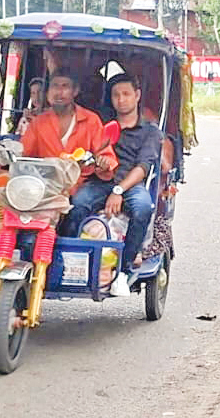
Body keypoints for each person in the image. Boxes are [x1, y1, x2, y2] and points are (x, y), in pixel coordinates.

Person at [65, 74, 162, 294]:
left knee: (143, 208)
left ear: (137, 96)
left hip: (129, 185)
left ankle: (124, 270)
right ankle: (71, 258)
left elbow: (143, 168)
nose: (121, 100)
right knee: (76, 204)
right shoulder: (101, 124)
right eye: (116, 95)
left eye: (126, 94)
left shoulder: (150, 131)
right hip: (99, 181)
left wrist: (119, 190)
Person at [18, 72, 115, 195]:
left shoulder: (91, 120)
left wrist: (104, 164)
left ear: (75, 91)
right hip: (44, 184)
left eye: (65, 86)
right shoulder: (38, 122)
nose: (59, 92)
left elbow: (106, 156)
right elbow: (24, 154)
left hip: (81, 185)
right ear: (48, 92)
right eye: (55, 86)